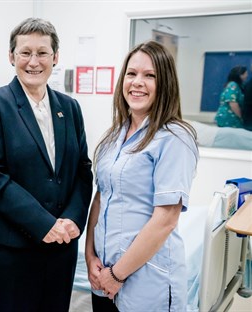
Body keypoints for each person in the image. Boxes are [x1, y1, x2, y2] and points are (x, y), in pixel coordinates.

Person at [0, 17, 93, 312]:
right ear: (11, 56)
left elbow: (82, 170)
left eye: (42, 53)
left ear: (56, 57)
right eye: (25, 52)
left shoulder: (70, 107)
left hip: (62, 246)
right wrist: (44, 224)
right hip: (11, 249)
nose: (34, 62)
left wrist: (73, 220)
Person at [85, 40, 199, 311]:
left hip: (147, 284)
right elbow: (100, 199)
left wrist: (117, 274)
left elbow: (165, 220)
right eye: (131, 73)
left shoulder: (174, 137)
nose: (137, 82)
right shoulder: (115, 136)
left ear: (165, 84)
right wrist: (90, 256)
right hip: (102, 278)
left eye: (150, 76)